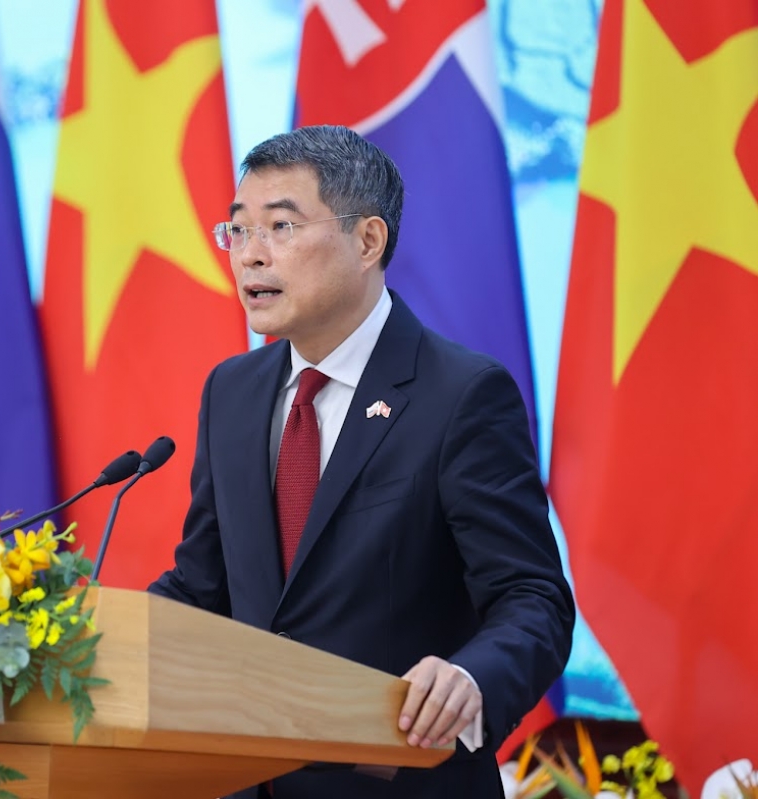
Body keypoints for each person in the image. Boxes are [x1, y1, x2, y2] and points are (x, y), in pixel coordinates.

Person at [148, 125, 575, 798]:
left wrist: (468, 678)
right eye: (236, 230)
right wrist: (65, 633)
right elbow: (204, 591)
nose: (250, 257)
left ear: (368, 240)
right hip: (242, 781)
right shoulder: (231, 392)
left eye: (280, 227)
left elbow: (534, 600)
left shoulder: (460, 395)